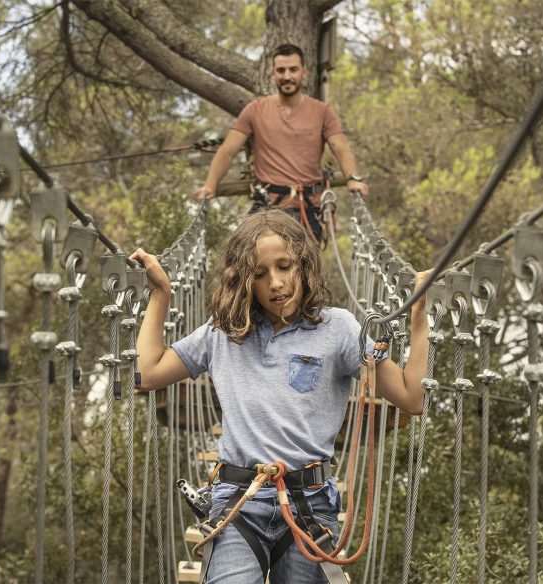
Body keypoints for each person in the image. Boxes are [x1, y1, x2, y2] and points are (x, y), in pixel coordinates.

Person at [131, 210, 429, 583]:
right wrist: (161, 294)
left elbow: (411, 398)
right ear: (244, 282)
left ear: (303, 264)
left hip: (309, 506)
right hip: (239, 502)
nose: (276, 283)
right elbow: (147, 373)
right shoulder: (223, 333)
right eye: (259, 274)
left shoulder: (338, 329)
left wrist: (420, 316)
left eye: (284, 266)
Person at [194, 43, 369, 243]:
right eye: (281, 70)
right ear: (273, 73)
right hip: (267, 207)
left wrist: (353, 177)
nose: (287, 76)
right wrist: (210, 185)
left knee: (304, 272)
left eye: (293, 69)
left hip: (307, 209)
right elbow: (227, 151)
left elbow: (340, 147)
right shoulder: (255, 110)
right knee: (254, 266)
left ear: (304, 72)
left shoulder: (322, 111)